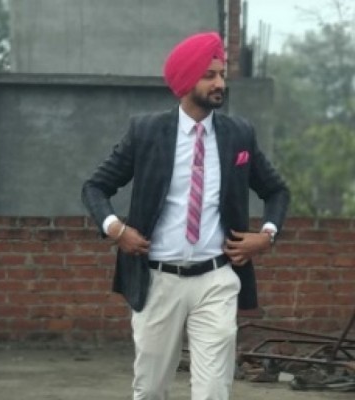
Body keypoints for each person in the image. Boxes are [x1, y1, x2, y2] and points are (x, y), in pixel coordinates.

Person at [82, 32, 290, 400]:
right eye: (209, 75)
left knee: (213, 391)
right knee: (150, 389)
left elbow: (277, 190)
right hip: (157, 279)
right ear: (186, 80)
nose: (220, 83)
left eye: (221, 74)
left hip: (216, 278)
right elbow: (95, 187)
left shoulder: (239, 134)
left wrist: (267, 235)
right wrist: (116, 230)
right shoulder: (146, 132)